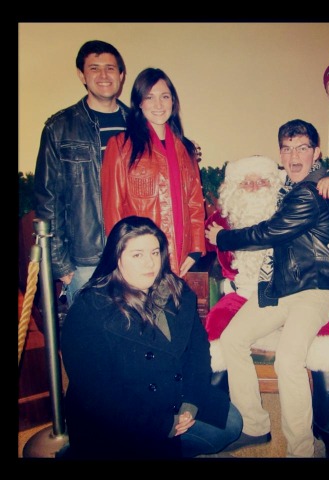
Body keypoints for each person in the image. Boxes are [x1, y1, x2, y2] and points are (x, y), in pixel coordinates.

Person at [205, 119, 329, 458]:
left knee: (288, 361)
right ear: (280, 154)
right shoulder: (287, 185)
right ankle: (255, 425)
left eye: (302, 148)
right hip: (282, 287)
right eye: (287, 149)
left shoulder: (310, 193)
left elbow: (269, 231)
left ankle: (300, 450)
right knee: (233, 339)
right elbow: (257, 190)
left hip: (313, 289)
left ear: (316, 153)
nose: (294, 157)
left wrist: (223, 237)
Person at [60, 215, 242, 460]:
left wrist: (191, 402)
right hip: (123, 419)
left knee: (231, 423)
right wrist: (162, 424)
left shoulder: (177, 291)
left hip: (175, 396)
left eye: (155, 253)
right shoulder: (89, 310)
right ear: (116, 258)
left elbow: (197, 352)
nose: (150, 263)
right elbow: (98, 395)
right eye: (137, 255)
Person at [34, 40, 129, 306]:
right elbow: (47, 199)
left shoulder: (138, 123)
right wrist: (60, 263)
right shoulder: (59, 127)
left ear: (121, 75)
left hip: (133, 249)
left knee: (135, 326)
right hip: (85, 258)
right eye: (94, 68)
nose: (103, 75)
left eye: (110, 68)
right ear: (81, 75)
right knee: (90, 330)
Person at [101, 67, 205, 278]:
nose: (158, 105)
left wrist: (195, 249)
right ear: (139, 102)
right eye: (150, 97)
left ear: (173, 101)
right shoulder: (121, 146)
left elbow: (194, 203)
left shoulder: (186, 149)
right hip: (141, 260)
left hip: (182, 257)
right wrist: (123, 258)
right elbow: (113, 211)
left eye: (164, 97)